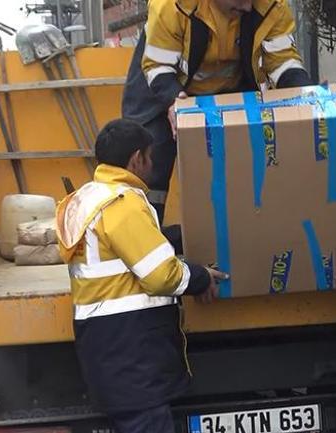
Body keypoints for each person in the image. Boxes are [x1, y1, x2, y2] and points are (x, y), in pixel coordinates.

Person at [56, 118, 228, 433]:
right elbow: (161, 275)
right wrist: (201, 277)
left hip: (110, 347)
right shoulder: (123, 203)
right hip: (131, 354)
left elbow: (125, 252)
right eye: (151, 156)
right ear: (137, 159)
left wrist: (173, 236)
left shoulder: (91, 197)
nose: (153, 164)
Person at [122, 0, 312, 221]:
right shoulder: (171, 5)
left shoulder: (271, 5)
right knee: (149, 157)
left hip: (229, 90)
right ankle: (141, 231)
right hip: (161, 83)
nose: (248, 7)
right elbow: (158, 65)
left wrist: (306, 95)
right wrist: (174, 101)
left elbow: (283, 61)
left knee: (240, 162)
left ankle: (231, 236)